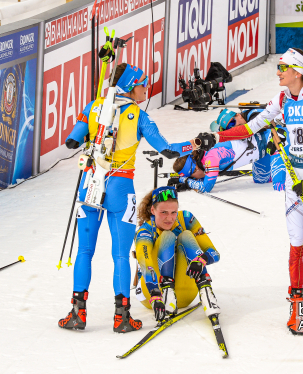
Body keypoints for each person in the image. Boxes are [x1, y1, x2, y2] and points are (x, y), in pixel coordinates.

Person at [197, 48, 303, 335]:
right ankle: (297, 300)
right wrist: (217, 136)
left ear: (297, 72)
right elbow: (251, 128)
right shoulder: (281, 99)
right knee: (295, 244)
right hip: (293, 177)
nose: (277, 72)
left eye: (282, 68)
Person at [58, 63, 200, 333]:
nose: (146, 89)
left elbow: (72, 142)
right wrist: (194, 144)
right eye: (142, 84)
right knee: (121, 254)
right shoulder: (139, 116)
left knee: (85, 251)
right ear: (130, 86)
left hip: (90, 182)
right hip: (120, 187)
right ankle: (121, 317)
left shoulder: (93, 107)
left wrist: (92, 123)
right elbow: (168, 150)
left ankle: (77, 313)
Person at [134, 186, 221, 322]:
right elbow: (145, 263)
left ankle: (206, 291)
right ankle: (167, 292)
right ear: (152, 210)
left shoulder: (186, 218)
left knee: (186, 234)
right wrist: (155, 295)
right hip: (153, 294)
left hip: (185, 294)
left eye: (173, 212)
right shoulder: (145, 231)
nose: (169, 218)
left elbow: (214, 253)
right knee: (167, 235)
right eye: (163, 212)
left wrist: (202, 260)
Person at [170, 108, 289, 192]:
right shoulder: (204, 156)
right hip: (262, 152)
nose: (196, 179)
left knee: (279, 186)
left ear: (195, 169)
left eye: (193, 177)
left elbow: (206, 187)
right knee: (260, 180)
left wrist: (185, 181)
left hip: (274, 138)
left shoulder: (210, 159)